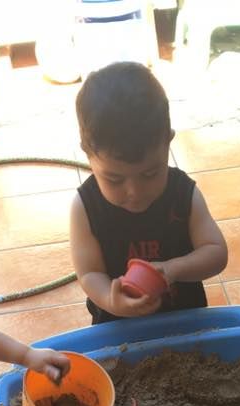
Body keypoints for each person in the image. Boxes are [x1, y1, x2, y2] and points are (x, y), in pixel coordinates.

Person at [70, 61, 228, 324]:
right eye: (114, 179)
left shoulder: (183, 194)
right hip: (118, 326)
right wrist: (111, 300)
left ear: (168, 141)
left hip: (185, 320)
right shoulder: (85, 207)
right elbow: (89, 274)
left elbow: (216, 252)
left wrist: (171, 269)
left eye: (150, 174)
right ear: (88, 156)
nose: (134, 192)